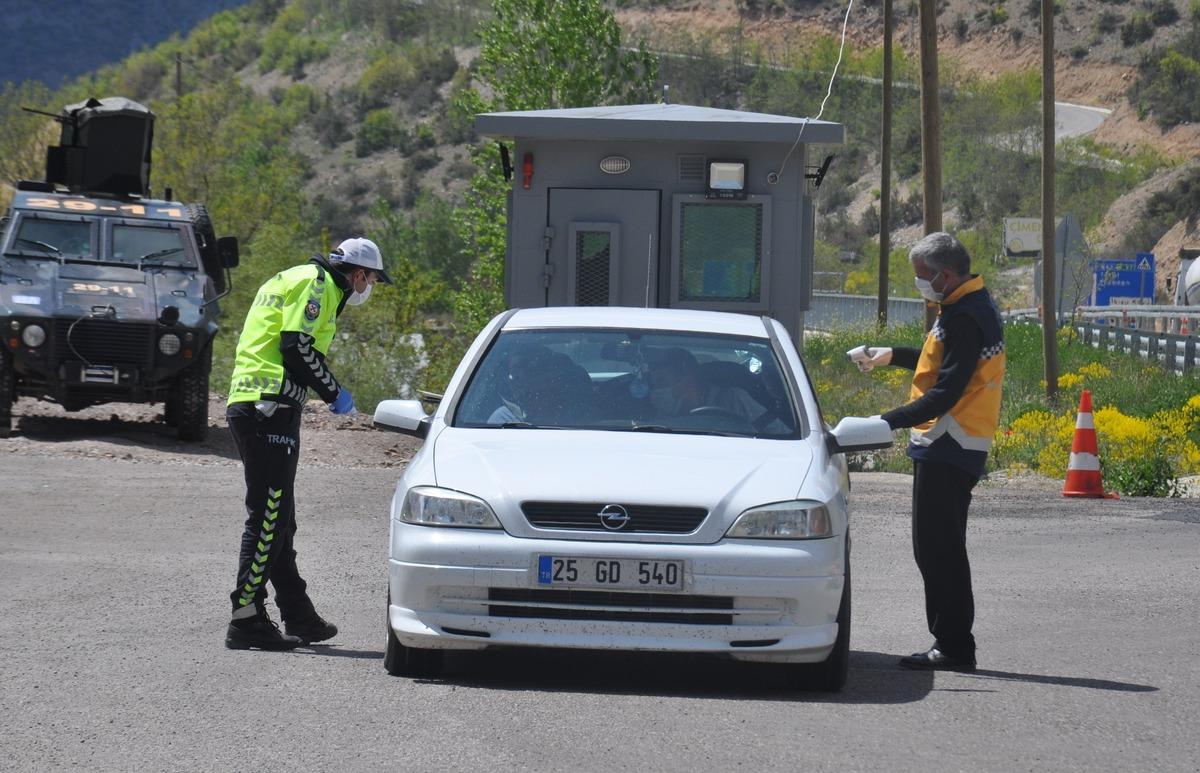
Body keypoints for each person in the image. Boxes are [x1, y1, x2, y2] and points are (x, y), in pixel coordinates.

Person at [224, 237, 391, 651]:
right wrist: (335, 392)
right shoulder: (318, 284)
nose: (369, 288)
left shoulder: (293, 277)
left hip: (257, 402)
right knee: (268, 517)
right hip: (268, 407)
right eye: (371, 280)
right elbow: (295, 346)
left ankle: (299, 615)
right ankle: (246, 617)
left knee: (279, 519)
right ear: (359, 274)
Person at [850, 231, 1005, 672]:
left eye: (923, 276)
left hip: (950, 441)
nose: (921, 284)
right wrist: (892, 355)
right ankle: (952, 642)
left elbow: (947, 391)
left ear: (946, 274)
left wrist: (885, 421)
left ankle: (953, 645)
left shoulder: (965, 315)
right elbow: (946, 358)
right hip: (950, 442)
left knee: (938, 550)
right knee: (939, 547)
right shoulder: (964, 305)